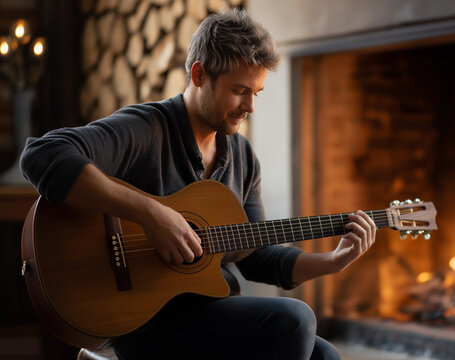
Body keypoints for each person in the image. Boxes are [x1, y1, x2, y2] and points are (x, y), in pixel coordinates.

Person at [20, 8, 376, 360]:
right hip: (137, 322)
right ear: (199, 74)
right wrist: (151, 215)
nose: (250, 106)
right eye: (240, 90)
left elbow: (255, 255)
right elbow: (43, 155)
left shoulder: (241, 156)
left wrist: (331, 261)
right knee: (295, 318)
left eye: (257, 92)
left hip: (201, 316)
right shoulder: (146, 128)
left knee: (324, 354)